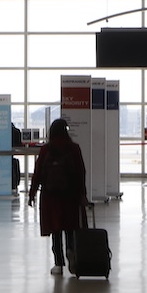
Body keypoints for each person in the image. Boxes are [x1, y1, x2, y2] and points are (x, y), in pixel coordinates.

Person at [27, 118, 88, 276]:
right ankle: (71, 250)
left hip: (50, 196)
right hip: (70, 195)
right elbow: (81, 173)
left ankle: (58, 264)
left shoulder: (46, 149)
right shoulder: (74, 148)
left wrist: (32, 194)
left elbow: (38, 173)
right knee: (70, 227)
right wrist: (82, 194)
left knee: (55, 230)